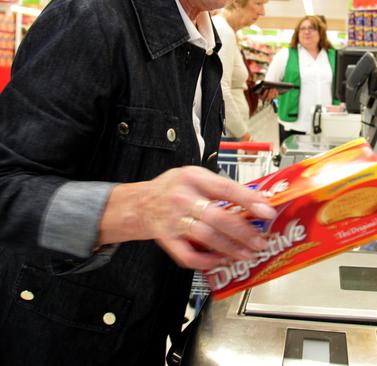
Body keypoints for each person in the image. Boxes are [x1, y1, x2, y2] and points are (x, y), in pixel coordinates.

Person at [0, 0, 277, 365]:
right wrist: (137, 208)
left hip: (139, 334)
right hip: (57, 339)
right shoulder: (91, 16)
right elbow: (8, 187)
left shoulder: (205, 50)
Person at [264, 15, 339, 144]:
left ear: (321, 32)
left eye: (312, 28)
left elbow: (341, 86)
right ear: (297, 33)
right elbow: (269, 83)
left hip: (328, 123)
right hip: (295, 123)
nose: (306, 31)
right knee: (294, 161)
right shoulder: (286, 55)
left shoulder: (332, 55)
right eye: (302, 28)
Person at [211, 0, 267, 143]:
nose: (262, 12)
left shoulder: (227, 30)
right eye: (258, 3)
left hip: (227, 130)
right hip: (225, 133)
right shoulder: (224, 31)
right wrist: (243, 135)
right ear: (236, 2)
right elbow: (219, 88)